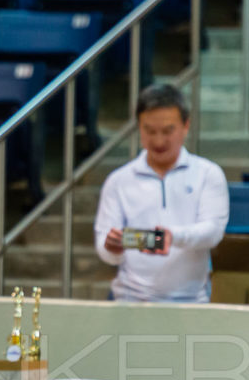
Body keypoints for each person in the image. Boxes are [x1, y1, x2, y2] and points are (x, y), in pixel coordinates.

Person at [94, 83, 229, 303]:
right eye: (150, 130)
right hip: (130, 300)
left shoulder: (208, 174)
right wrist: (112, 246)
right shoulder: (118, 181)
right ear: (139, 127)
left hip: (192, 301)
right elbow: (105, 248)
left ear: (186, 126)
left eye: (168, 131)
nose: (158, 141)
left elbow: (213, 231)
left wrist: (172, 236)